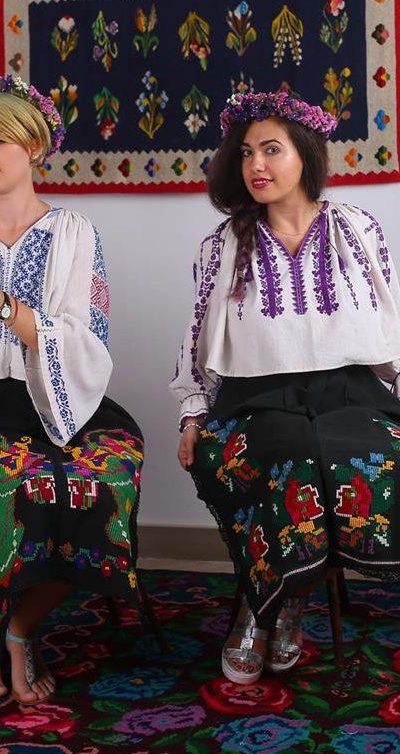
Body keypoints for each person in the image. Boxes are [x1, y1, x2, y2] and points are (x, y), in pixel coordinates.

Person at [170, 89, 400, 684]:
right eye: (246, 153)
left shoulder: (358, 229)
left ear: (306, 154)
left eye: (271, 150)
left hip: (351, 394)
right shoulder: (221, 246)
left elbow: (392, 326)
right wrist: (192, 415)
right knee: (289, 458)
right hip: (256, 400)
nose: (256, 165)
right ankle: (263, 602)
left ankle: (288, 601)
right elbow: (196, 342)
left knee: (359, 456)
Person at [0, 75, 143, 704]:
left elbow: (87, 336)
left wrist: (10, 309)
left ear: (33, 147)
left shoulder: (73, 231)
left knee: (92, 491)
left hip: (56, 404)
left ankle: (20, 629)